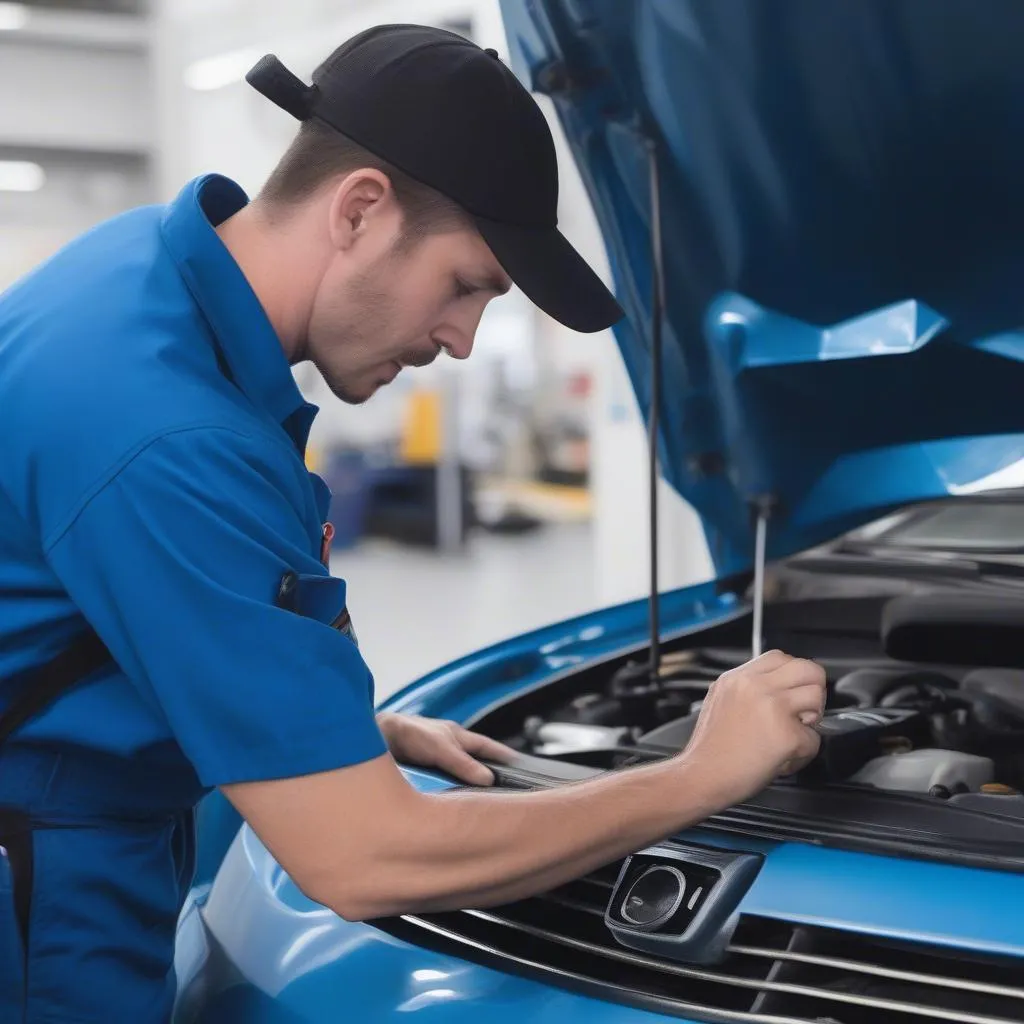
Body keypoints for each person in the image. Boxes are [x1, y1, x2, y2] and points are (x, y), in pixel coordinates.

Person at [0, 24, 825, 1023]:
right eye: (466, 284)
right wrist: (700, 776)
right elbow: (360, 857)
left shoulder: (140, 277)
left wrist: (341, 736)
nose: (464, 341)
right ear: (359, 210)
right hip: (43, 914)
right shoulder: (169, 433)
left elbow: (82, 616)